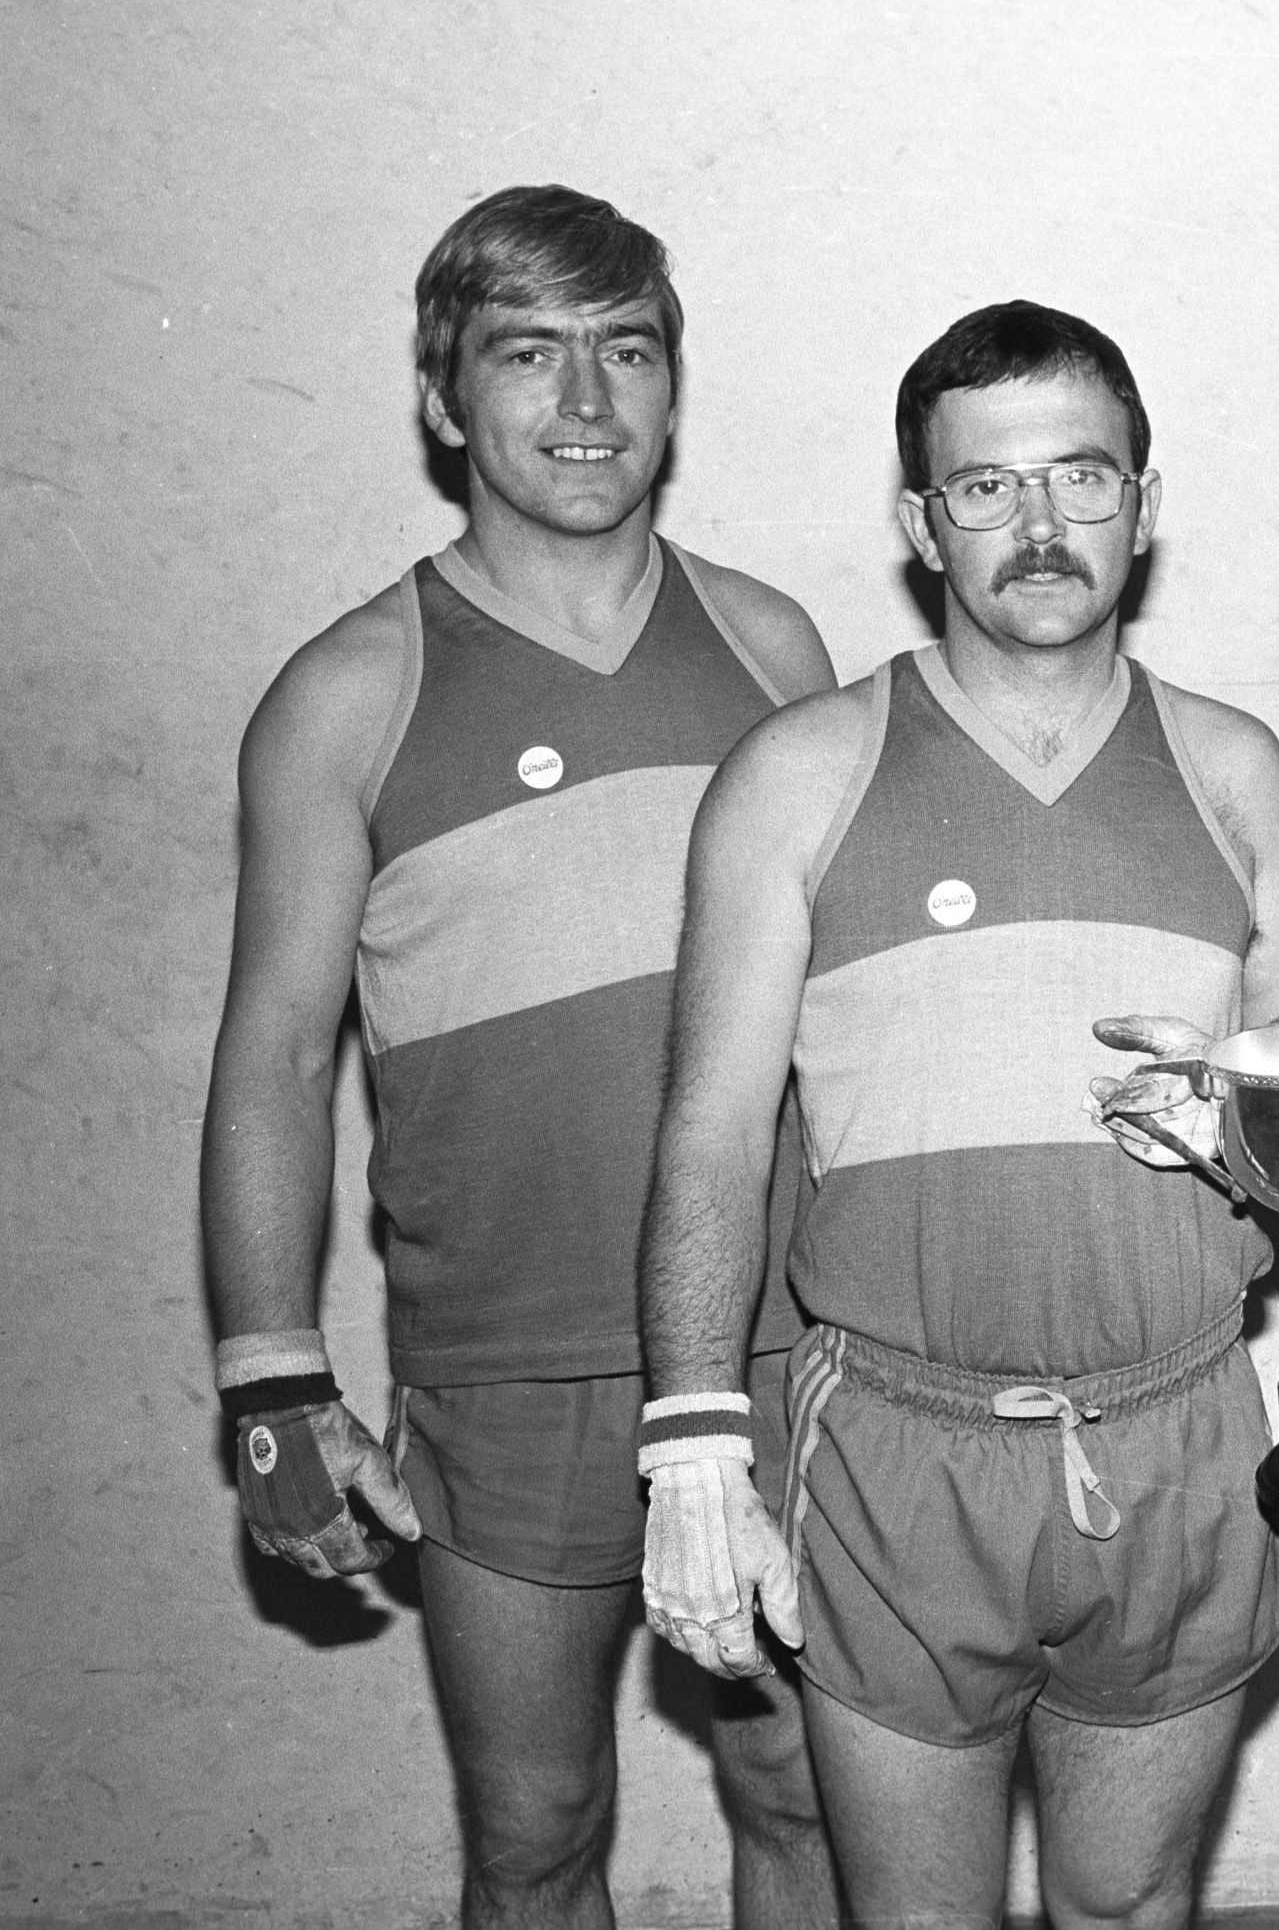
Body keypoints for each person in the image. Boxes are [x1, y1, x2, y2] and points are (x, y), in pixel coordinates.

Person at [642, 301, 1279, 1930]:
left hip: (1178, 1428)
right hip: (899, 1447)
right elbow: (712, 1134)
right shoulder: (801, 770)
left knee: (1129, 1903)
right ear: (919, 520)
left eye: (1082, 477)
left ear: (1143, 505)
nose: (1038, 524)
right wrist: (693, 1439)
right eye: (986, 486)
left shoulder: (1230, 766)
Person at [200, 185, 838, 1927]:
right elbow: (276, 1053)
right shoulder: (351, 689)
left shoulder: (774, 647)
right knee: (537, 1833)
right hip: (505, 1362)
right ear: (443, 395)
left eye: (625, 350)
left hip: (778, 1338)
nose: (583, 400)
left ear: (671, 386)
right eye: (528, 353)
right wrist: (270, 1376)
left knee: (803, 1794)